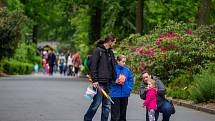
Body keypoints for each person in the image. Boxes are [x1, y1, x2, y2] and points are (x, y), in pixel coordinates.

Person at [83, 35, 117, 121]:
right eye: (114, 42)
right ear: (109, 41)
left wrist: (114, 77)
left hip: (109, 83)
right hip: (100, 83)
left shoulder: (111, 52)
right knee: (96, 104)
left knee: (107, 106)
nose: (115, 43)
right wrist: (95, 80)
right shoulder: (98, 51)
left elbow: (113, 66)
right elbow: (93, 66)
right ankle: (87, 119)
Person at [110, 55, 134, 121]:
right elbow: (109, 80)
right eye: (123, 62)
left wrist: (129, 88)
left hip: (125, 94)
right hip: (115, 95)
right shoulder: (113, 69)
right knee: (115, 115)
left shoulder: (127, 70)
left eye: (125, 62)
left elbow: (131, 79)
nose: (124, 63)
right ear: (118, 61)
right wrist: (115, 81)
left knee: (123, 114)